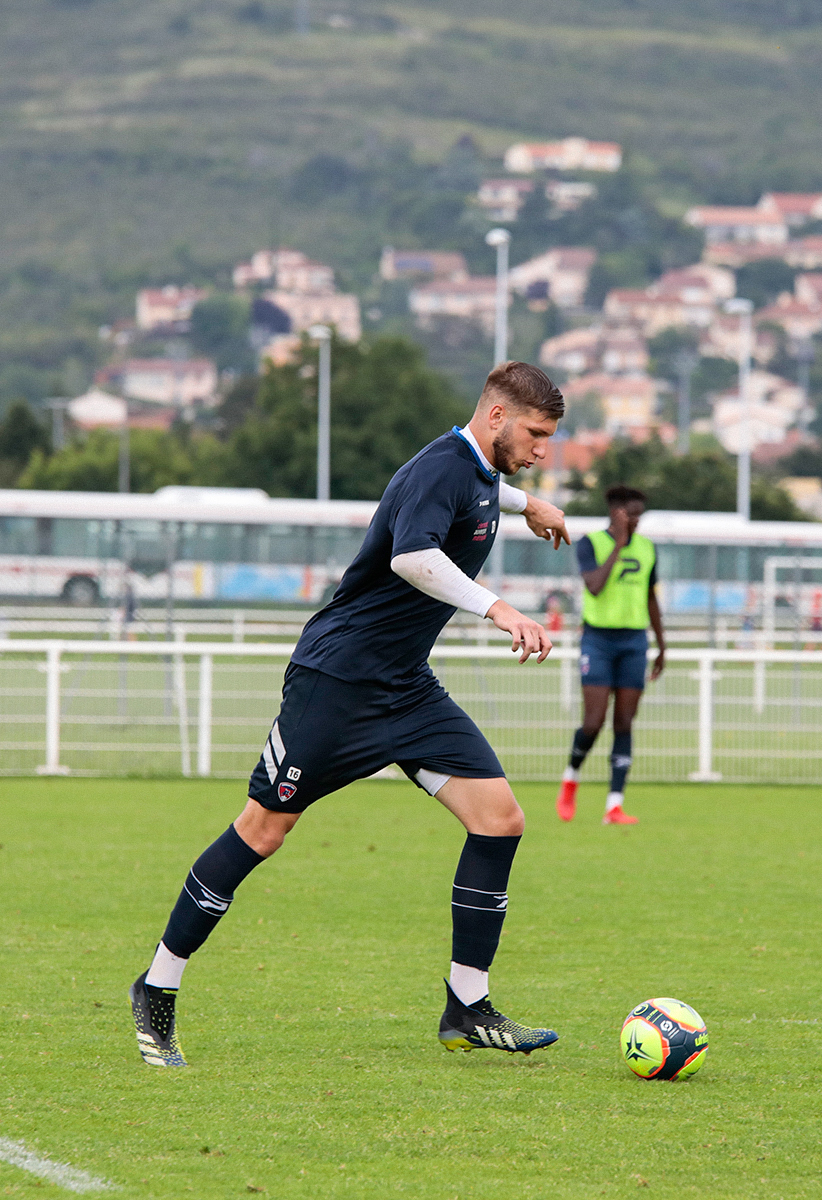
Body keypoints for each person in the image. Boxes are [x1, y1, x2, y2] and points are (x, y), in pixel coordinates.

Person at [130, 362, 573, 1067]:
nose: (545, 448)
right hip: (336, 683)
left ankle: (467, 1006)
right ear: (496, 418)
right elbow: (413, 557)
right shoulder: (440, 468)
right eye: (537, 433)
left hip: (406, 687)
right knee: (263, 831)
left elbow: (482, 492)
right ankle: (157, 988)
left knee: (500, 819)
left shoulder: (479, 472)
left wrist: (529, 506)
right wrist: (500, 608)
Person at [557, 486, 666, 825]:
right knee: (594, 721)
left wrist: (662, 644)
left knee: (624, 723)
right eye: (630, 514)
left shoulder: (648, 548)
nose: (635, 521)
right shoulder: (591, 543)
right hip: (598, 640)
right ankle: (571, 778)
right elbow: (594, 586)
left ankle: (614, 805)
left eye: (639, 515)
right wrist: (618, 544)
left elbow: (650, 598)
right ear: (615, 512)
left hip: (634, 642)